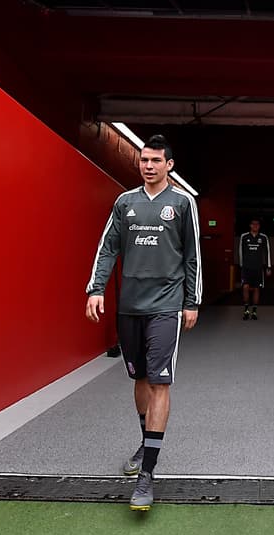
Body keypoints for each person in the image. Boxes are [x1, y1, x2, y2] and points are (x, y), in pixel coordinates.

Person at [85, 134, 200, 511]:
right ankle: (146, 442)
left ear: (170, 165)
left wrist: (191, 301)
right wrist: (96, 288)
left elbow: (192, 256)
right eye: (143, 160)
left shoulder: (183, 203)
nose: (148, 166)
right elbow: (108, 247)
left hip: (166, 305)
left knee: (159, 380)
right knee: (139, 380)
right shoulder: (125, 203)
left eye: (155, 160)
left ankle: (147, 473)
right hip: (130, 306)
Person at [238, 218, 272, 320]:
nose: (255, 226)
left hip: (258, 269)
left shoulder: (263, 237)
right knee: (245, 288)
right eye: (253, 224)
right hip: (246, 268)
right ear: (250, 225)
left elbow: (267, 252)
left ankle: (254, 312)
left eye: (257, 224)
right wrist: (241, 265)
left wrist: (268, 267)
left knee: (257, 289)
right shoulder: (244, 236)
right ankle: (246, 310)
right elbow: (240, 251)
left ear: (259, 226)